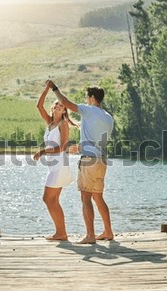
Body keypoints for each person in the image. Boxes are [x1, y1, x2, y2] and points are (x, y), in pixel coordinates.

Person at [46, 80, 114, 244]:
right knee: (98, 197)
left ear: (91, 98)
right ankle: (108, 231)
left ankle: (90, 235)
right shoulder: (108, 117)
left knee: (85, 198)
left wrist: (54, 88)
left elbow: (66, 103)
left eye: (86, 97)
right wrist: (81, 147)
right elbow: (97, 140)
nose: (85, 99)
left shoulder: (89, 110)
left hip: (89, 161)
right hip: (101, 160)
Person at [33, 83, 77, 241]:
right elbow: (39, 106)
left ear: (65, 110)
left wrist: (43, 151)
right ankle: (61, 233)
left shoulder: (63, 124)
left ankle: (61, 232)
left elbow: (63, 146)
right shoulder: (50, 123)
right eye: (56, 104)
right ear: (53, 108)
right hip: (53, 166)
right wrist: (45, 89)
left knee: (48, 198)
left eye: (61, 105)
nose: (59, 106)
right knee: (52, 199)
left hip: (60, 165)